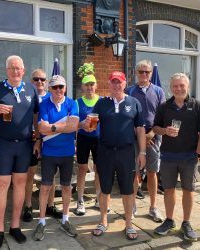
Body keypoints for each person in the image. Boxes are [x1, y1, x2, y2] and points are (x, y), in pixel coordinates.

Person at [0, 55, 40, 248]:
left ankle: (15, 226)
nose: (15, 71)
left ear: (23, 70)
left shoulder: (31, 89)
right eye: (12, 68)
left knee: (21, 183)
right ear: (6, 70)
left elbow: (36, 115)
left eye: (19, 68)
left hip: (24, 144)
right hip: (4, 144)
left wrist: (37, 138)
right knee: (2, 184)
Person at [90, 71, 146, 240]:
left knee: (128, 190)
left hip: (126, 152)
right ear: (109, 83)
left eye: (119, 82)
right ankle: (103, 221)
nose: (116, 85)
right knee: (104, 189)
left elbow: (141, 129)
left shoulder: (134, 102)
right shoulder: (101, 103)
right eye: (113, 82)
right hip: (105, 151)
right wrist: (86, 124)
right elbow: (92, 125)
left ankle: (129, 224)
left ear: (124, 83)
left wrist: (142, 152)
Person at [153, 73, 200, 242]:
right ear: (171, 88)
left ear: (188, 86)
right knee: (168, 189)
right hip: (168, 155)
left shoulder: (197, 106)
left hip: (189, 157)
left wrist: (198, 154)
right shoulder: (164, 106)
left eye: (181, 85)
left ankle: (186, 222)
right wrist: (165, 131)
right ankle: (169, 220)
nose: (178, 88)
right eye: (175, 86)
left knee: (188, 190)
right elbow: (155, 128)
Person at [33, 75, 79, 241]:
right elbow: (41, 129)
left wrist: (52, 127)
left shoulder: (72, 103)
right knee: (45, 187)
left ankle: (65, 219)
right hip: (49, 153)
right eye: (55, 87)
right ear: (50, 89)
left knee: (66, 187)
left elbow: (73, 126)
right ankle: (42, 221)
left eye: (61, 87)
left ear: (65, 88)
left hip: (67, 153)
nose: (58, 90)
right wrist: (64, 126)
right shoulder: (44, 104)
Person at [126, 59, 165, 222]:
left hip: (153, 136)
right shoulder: (129, 91)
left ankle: (153, 207)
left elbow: (163, 116)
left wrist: (149, 134)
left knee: (152, 172)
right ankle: (132, 206)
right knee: (134, 173)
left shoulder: (158, 91)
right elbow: (126, 117)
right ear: (136, 73)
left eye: (147, 72)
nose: (144, 75)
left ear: (150, 74)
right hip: (134, 137)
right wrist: (140, 135)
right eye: (141, 71)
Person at [23, 69, 62, 222]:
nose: (39, 82)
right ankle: (28, 206)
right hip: (30, 140)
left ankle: (50, 205)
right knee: (30, 174)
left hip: (49, 140)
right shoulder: (28, 98)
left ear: (47, 83)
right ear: (31, 81)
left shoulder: (52, 97)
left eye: (43, 79)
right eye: (36, 79)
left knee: (50, 175)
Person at [74, 72, 101, 216]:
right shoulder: (77, 103)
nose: (90, 87)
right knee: (82, 169)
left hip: (98, 139)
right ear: (82, 87)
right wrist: (81, 124)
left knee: (98, 169)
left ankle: (98, 198)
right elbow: (73, 124)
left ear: (96, 86)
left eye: (92, 84)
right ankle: (80, 200)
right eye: (87, 85)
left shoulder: (102, 101)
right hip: (83, 138)